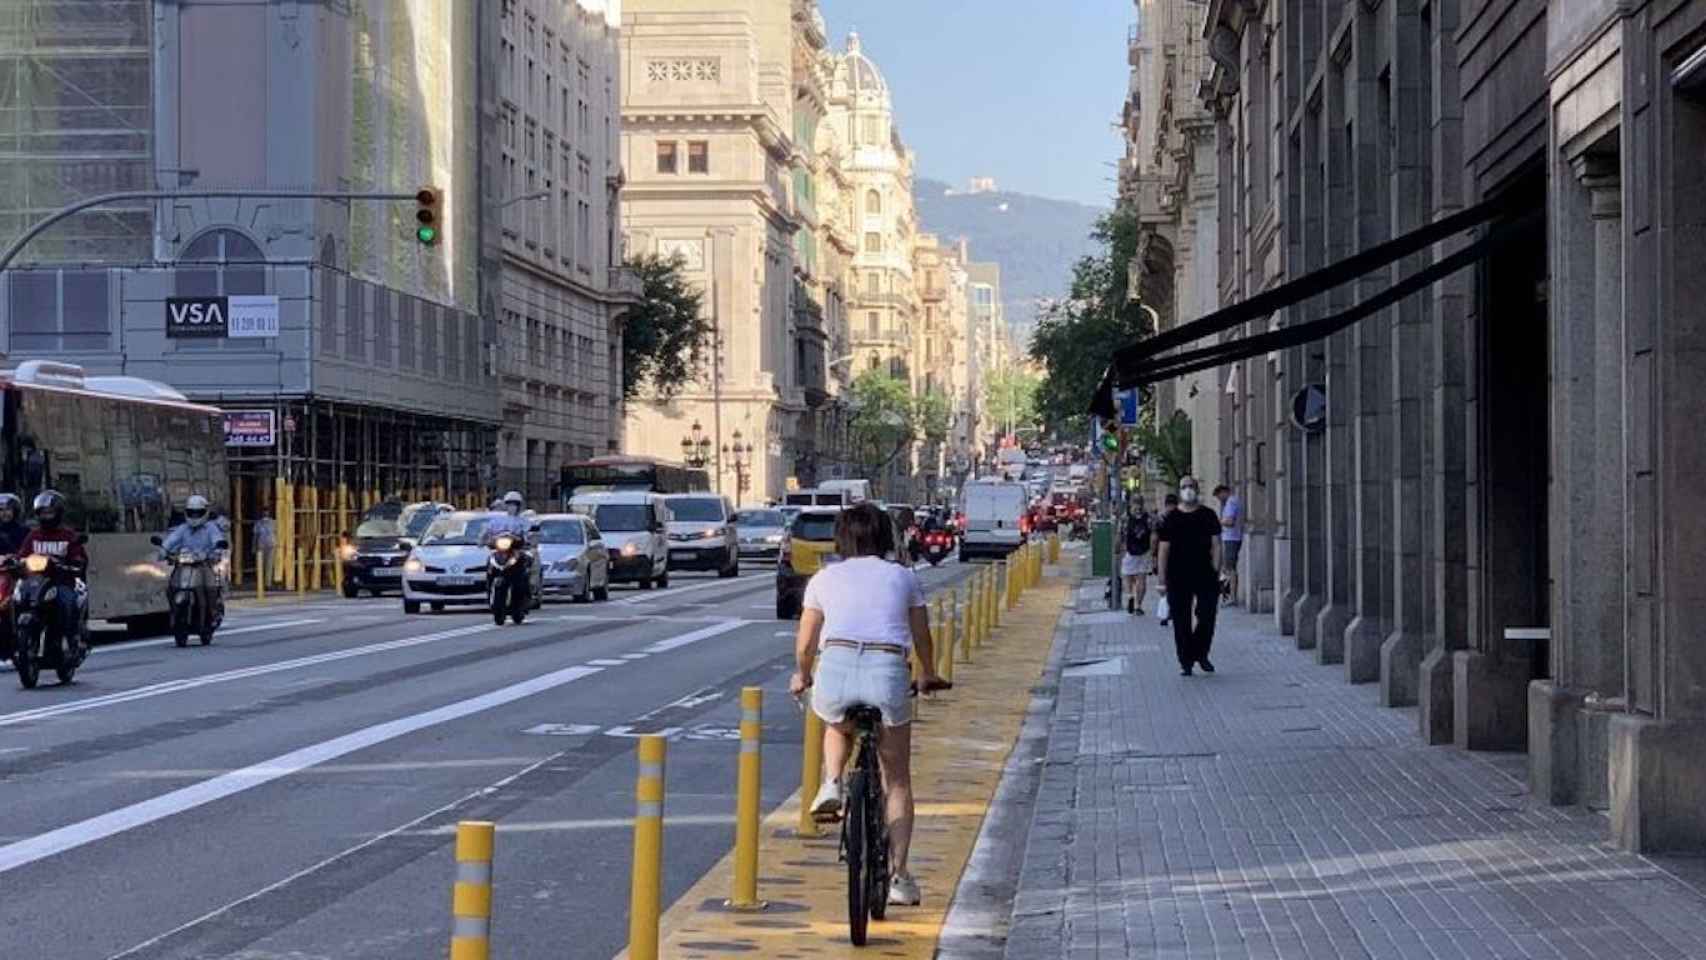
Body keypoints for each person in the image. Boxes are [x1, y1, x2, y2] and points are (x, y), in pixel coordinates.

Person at [788, 502, 945, 908]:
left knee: (835, 721)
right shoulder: (903, 576)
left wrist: (802, 675)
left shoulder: (824, 578)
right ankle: (899, 876)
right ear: (885, 538)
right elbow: (922, 635)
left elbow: (806, 643)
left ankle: (833, 782)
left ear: (841, 538)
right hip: (886, 667)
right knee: (897, 779)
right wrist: (927, 672)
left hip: (836, 665)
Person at [1156, 476, 1222, 676]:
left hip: (1205, 573)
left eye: (1191, 486)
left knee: (1207, 616)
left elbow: (1217, 544)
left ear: (1197, 489)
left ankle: (1201, 653)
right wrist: (1161, 579)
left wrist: (1216, 569)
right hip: (1177, 576)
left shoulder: (1208, 515)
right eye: (1184, 487)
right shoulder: (1171, 518)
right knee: (1181, 620)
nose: (1188, 490)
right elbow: (1163, 550)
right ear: (1179, 491)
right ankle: (1186, 661)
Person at [18, 490, 89, 655]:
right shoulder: (33, 535)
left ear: (58, 513)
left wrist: (75, 563)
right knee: (20, 598)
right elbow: (22, 554)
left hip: (62, 582)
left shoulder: (68, 535)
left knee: (66, 602)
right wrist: (15, 561)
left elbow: (79, 557)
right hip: (36, 582)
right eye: (43, 513)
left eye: (50, 512)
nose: (46, 516)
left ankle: (71, 639)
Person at [1121, 499, 1155, 615]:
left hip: (1129, 552)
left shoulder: (1125, 518)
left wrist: (1118, 548)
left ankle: (1130, 595)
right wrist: (1153, 552)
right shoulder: (1149, 517)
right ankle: (1138, 606)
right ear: (1142, 504)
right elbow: (1154, 535)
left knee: (1126, 575)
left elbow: (1120, 534)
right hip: (1144, 552)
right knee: (1142, 579)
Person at [1215, 483, 1243, 605]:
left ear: (1223, 492)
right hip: (1232, 538)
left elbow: (1230, 521)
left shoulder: (1231, 502)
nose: (1219, 499)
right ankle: (1230, 595)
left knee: (1230, 568)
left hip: (1231, 538)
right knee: (1229, 568)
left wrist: (1219, 521)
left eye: (1218, 496)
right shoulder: (1232, 501)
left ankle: (1231, 596)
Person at [1154, 493, 1179, 626]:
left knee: (1166, 585)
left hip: (1166, 556)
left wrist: (1154, 556)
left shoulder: (1161, 519)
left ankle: (1167, 613)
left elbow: (1155, 539)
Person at [253, 510, 277, 584]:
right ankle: (263, 582)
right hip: (265, 545)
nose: (265, 515)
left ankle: (266, 583)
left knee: (267, 565)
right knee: (264, 565)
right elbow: (255, 536)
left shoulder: (273, 522)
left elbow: (255, 536)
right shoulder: (259, 523)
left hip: (268, 545)